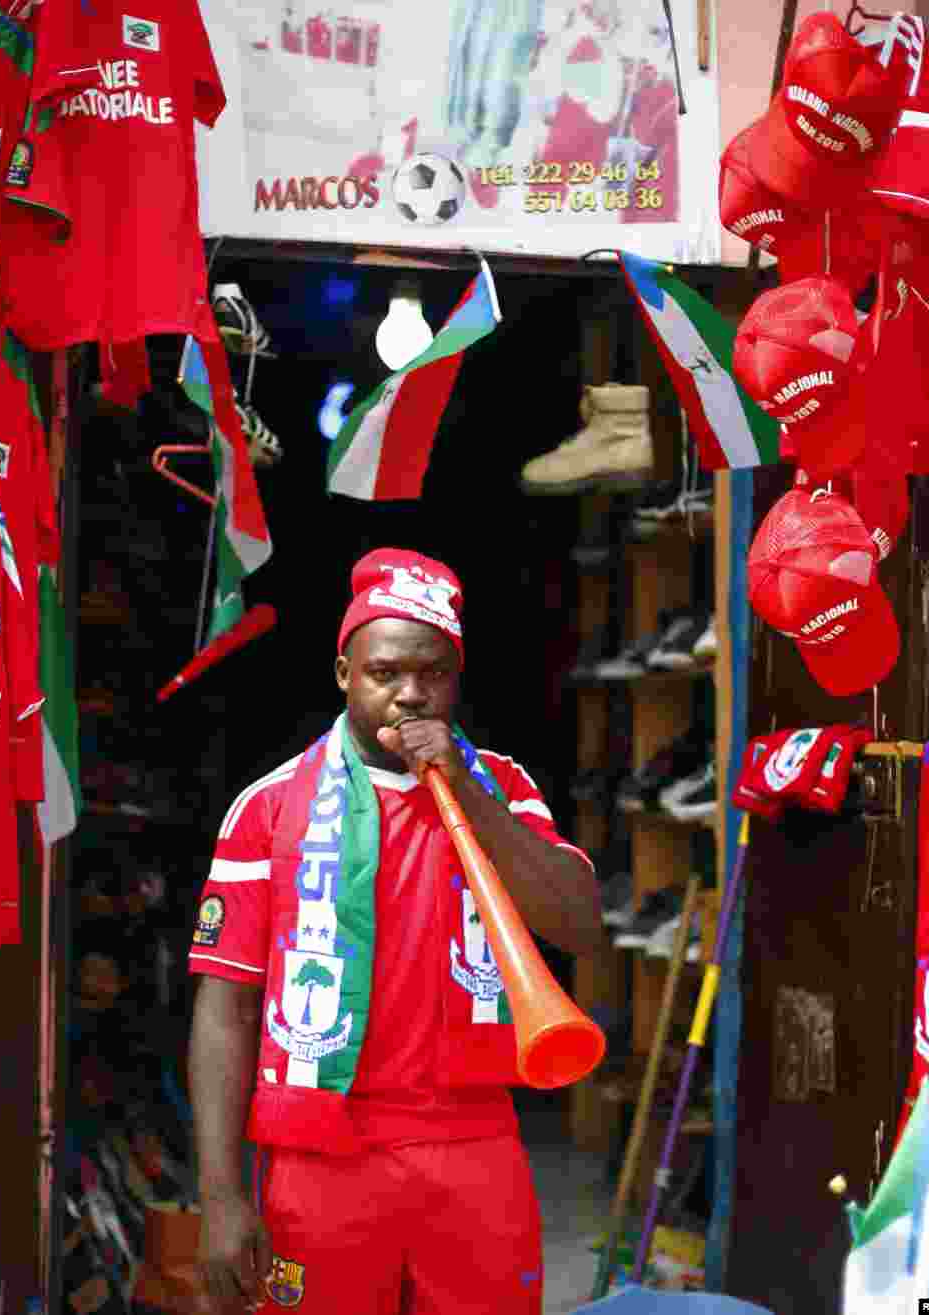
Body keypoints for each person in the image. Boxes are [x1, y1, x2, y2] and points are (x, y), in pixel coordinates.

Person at [187, 547, 602, 1315]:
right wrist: (220, 1195)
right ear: (345, 672)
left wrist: (471, 799)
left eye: (433, 672)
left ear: (456, 675)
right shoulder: (269, 806)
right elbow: (226, 1006)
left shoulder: (504, 787)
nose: (410, 695)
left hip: (473, 1143)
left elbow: (579, 921)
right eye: (386, 672)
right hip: (321, 1151)